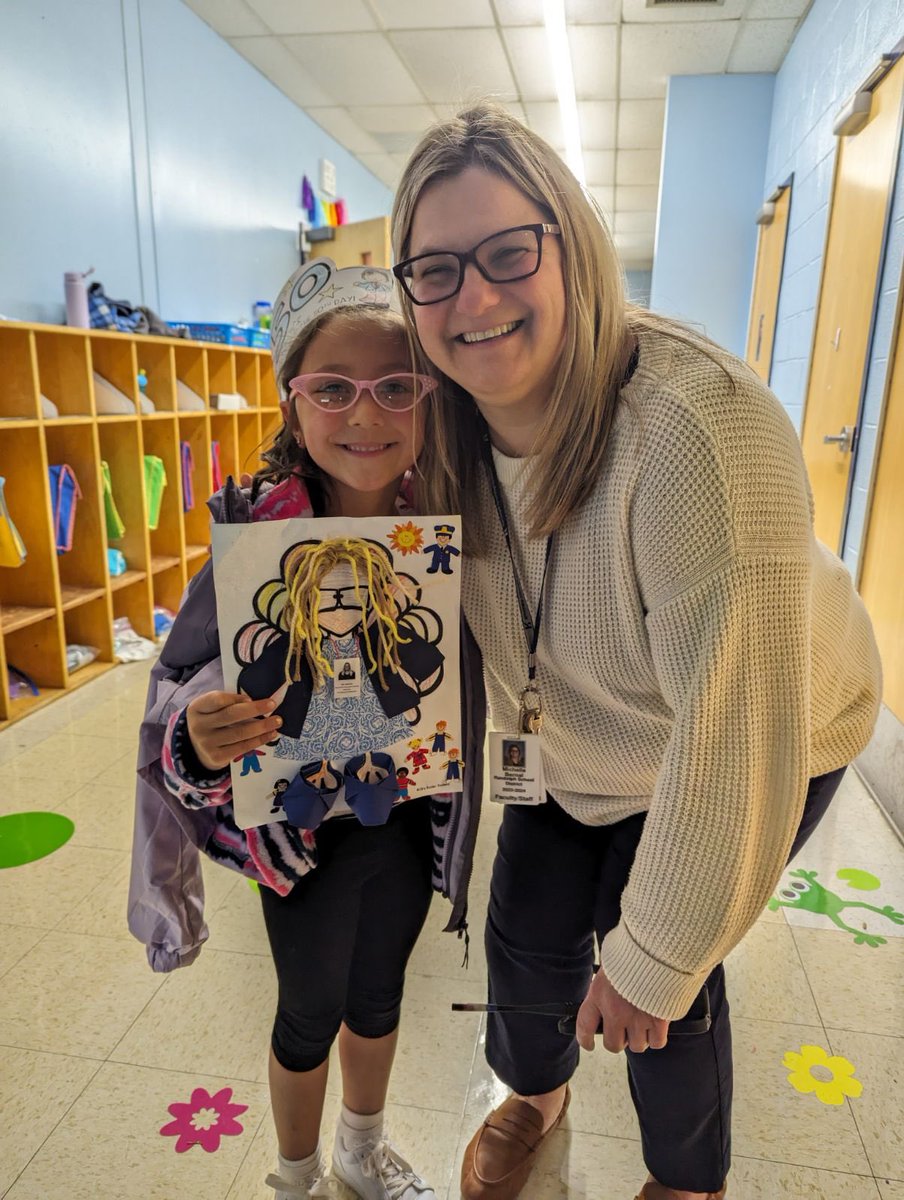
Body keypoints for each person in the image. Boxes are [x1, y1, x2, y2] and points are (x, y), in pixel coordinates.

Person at [389, 103, 882, 1200]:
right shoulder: (441, 426)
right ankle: (533, 1096)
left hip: (758, 727)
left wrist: (652, 957)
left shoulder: (700, 431)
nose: (473, 299)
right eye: (435, 269)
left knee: (665, 985)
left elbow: (736, 744)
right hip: (572, 733)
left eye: (508, 252)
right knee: (524, 936)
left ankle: (685, 1179)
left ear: (571, 244)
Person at [128, 258, 485, 1200]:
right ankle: (295, 1177)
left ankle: (361, 1152)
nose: (365, 415)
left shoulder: (450, 523)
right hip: (299, 837)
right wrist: (200, 739)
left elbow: (457, 669)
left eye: (397, 386)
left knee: (380, 996)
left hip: (406, 817)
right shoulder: (257, 537)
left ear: (430, 400)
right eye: (333, 389)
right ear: (293, 403)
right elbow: (178, 699)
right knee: (308, 1011)